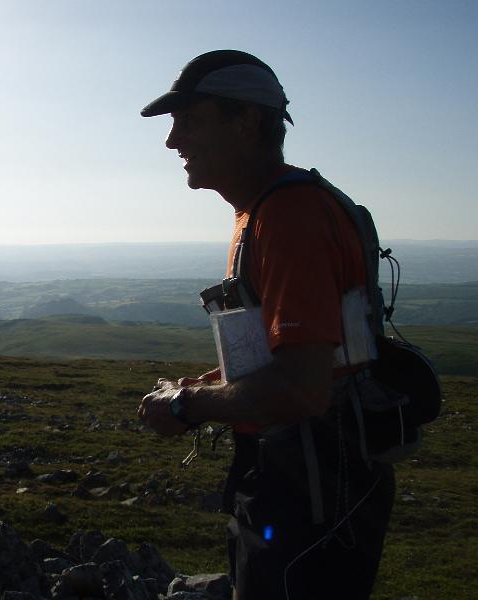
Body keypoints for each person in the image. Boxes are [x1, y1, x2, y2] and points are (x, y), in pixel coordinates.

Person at [137, 50, 395, 600]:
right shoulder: (261, 210)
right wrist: (201, 386)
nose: (172, 140)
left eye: (190, 119)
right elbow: (292, 353)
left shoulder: (289, 215)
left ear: (247, 122)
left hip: (312, 480)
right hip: (301, 468)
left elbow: (301, 388)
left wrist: (186, 407)